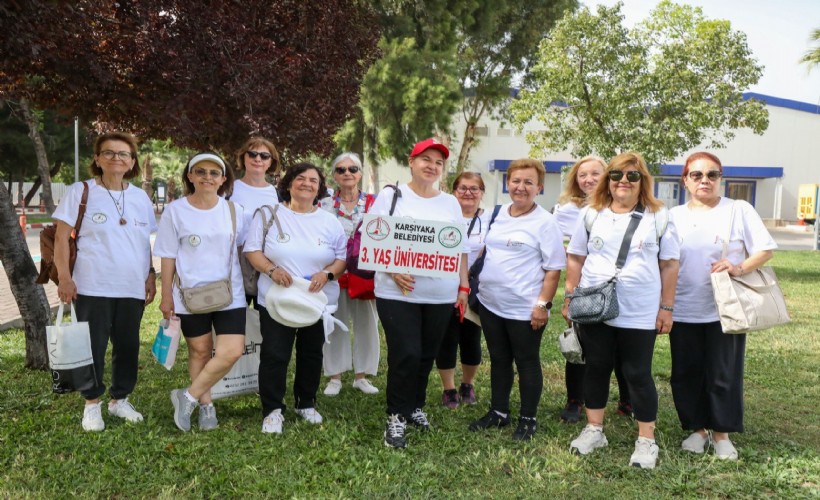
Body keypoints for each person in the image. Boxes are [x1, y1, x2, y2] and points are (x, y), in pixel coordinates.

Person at [563, 152, 680, 469]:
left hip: (639, 309)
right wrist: (569, 295)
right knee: (597, 366)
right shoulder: (591, 213)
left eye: (632, 175)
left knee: (637, 373)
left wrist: (666, 307)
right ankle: (594, 429)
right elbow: (575, 256)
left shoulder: (659, 216)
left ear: (643, 180)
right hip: (595, 305)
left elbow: (669, 265)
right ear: (608, 180)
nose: (623, 181)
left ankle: (646, 441)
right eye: (616, 175)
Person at [669, 152, 777, 460]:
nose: (705, 180)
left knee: (722, 372)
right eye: (697, 175)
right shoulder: (673, 215)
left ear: (721, 179)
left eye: (712, 175)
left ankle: (721, 434)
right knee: (686, 371)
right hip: (683, 306)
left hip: (724, 307)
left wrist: (739, 267)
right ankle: (697, 429)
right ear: (685, 180)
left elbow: (765, 249)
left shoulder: (738, 209)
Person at [53, 132, 157, 432]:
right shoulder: (80, 191)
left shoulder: (139, 197)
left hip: (131, 287)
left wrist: (150, 274)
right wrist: (64, 277)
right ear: (97, 159)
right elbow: (61, 238)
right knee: (93, 346)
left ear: (132, 162)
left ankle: (119, 399)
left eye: (123, 154)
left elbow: (142, 241)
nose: (116, 158)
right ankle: (92, 404)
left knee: (128, 345)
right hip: (91, 285)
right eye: (109, 153)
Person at [373, 138, 470, 449]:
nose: (432, 166)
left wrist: (463, 285)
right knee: (406, 352)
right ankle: (396, 417)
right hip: (396, 291)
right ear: (411, 162)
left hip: (440, 293)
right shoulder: (392, 196)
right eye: (425, 159)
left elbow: (460, 249)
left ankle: (414, 405)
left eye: (439, 162)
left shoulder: (450, 203)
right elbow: (372, 238)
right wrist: (391, 268)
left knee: (426, 353)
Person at [244, 163, 347, 434]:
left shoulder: (329, 221)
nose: (306, 184)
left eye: (313, 180)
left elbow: (341, 259)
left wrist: (327, 274)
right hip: (276, 300)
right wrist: (272, 269)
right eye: (300, 178)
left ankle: (306, 403)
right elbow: (252, 250)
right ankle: (273, 410)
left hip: (316, 301)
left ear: (319, 188)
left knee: (311, 353)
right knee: (275, 354)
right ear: (288, 184)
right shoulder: (269, 214)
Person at [468, 159, 566, 441]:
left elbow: (552, 271)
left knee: (526, 362)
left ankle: (527, 418)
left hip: (525, 309)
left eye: (528, 182)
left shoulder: (545, 222)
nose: (521, 187)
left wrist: (542, 305)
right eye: (516, 181)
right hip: (490, 304)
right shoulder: (497, 214)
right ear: (507, 183)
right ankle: (499, 412)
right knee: (499, 360)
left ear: (539, 187)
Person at [154, 152, 247, 432]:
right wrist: (166, 295)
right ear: (190, 176)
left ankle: (187, 397)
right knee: (200, 351)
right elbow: (168, 255)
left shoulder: (234, 211)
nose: (208, 177)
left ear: (224, 179)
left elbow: (244, 250)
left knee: (231, 351)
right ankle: (206, 406)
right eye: (201, 172)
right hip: (188, 295)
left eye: (214, 173)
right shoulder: (176, 211)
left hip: (230, 293)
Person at [553, 157, 633, 423]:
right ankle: (575, 400)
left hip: (623, 286)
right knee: (581, 346)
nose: (588, 179)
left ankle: (627, 400)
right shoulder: (568, 210)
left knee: (624, 348)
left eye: (595, 173)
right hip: (587, 289)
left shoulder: (627, 206)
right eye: (582, 175)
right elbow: (560, 246)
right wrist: (570, 293)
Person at [318, 153, 380, 396]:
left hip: (364, 274)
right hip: (333, 273)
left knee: (366, 324)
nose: (347, 173)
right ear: (334, 175)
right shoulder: (323, 205)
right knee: (334, 324)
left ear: (360, 174)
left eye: (353, 169)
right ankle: (335, 376)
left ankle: (361, 376)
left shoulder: (376, 204)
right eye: (341, 169)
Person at [435, 172, 488, 409]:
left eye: (474, 188)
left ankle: (467, 384)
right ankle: (449, 389)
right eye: (463, 188)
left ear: (481, 193)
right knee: (446, 338)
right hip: (445, 286)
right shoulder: (442, 217)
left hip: (476, 290)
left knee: (471, 338)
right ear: (454, 191)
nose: (468, 193)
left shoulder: (492, 220)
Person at [230, 136, 281, 303]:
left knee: (265, 320)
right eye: (252, 154)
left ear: (270, 162)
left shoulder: (278, 194)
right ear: (243, 157)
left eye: (264, 156)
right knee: (234, 321)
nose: (258, 159)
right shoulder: (229, 189)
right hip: (233, 262)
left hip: (266, 261)